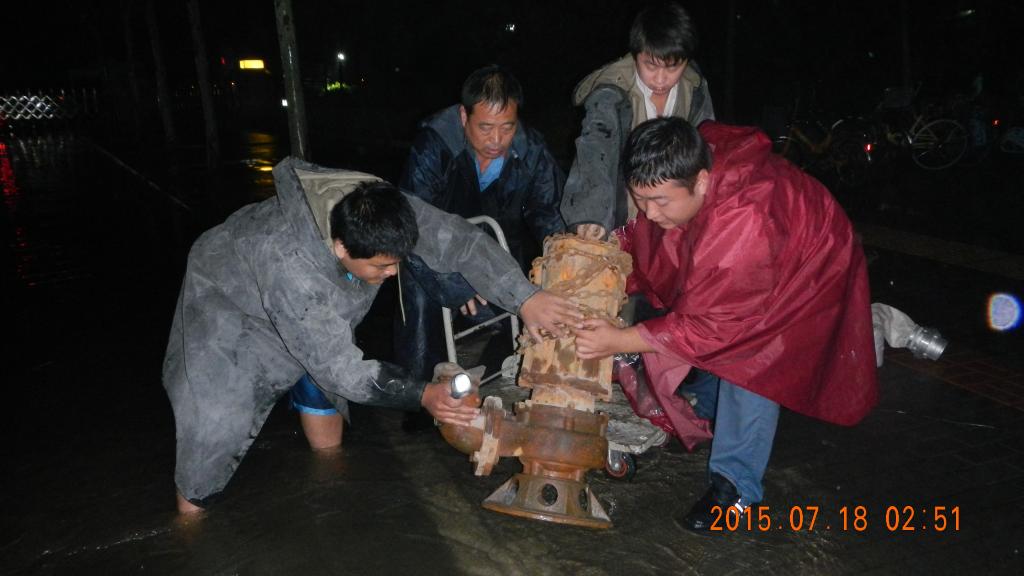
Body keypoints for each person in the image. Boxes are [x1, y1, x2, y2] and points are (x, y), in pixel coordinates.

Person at [163, 158, 579, 514]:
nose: (393, 274)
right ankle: (191, 526)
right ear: (342, 248)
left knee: (325, 387)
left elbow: (462, 241)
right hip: (229, 303)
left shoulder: (380, 207)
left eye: (396, 262)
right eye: (382, 267)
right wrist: (422, 394)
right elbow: (341, 370)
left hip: (314, 306)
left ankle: (328, 488)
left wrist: (525, 298)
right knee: (213, 431)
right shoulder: (291, 267)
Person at [573, 118, 878, 531]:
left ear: (701, 181)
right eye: (640, 199)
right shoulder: (687, 163)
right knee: (707, 314)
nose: (649, 213)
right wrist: (617, 244)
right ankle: (709, 409)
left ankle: (735, 489)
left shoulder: (743, 227)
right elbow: (664, 243)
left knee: (751, 362)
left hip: (812, 266)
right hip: (770, 247)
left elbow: (715, 326)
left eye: (660, 201)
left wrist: (619, 340)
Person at [392, 65, 566, 386]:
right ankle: (423, 397)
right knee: (422, 322)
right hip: (434, 255)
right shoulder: (435, 144)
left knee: (521, 317)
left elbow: (547, 213)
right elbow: (409, 221)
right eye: (485, 128)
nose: (496, 140)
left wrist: (566, 260)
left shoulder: (532, 150)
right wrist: (451, 281)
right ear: (464, 116)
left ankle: (493, 385)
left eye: (507, 127)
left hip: (500, 250)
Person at [561, 1, 715, 242]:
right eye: (650, 65)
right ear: (636, 55)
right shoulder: (610, 95)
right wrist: (591, 215)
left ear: (686, 61)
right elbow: (595, 151)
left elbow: (710, 143)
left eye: (673, 67)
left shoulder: (694, 90)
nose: (661, 79)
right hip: (624, 214)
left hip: (672, 214)